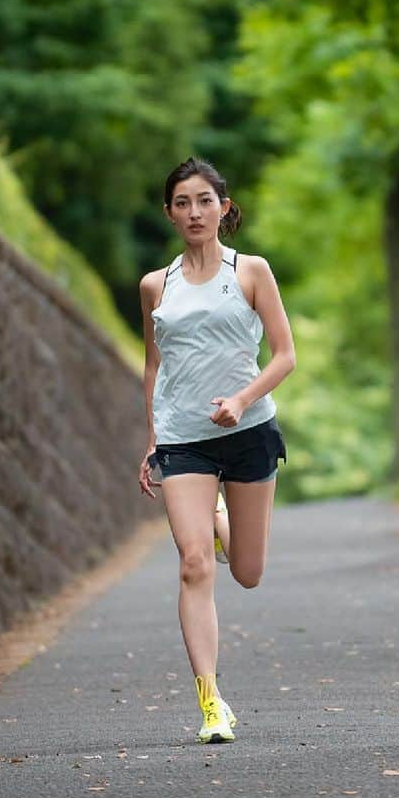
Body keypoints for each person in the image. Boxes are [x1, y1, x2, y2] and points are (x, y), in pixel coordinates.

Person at [137, 157, 296, 744]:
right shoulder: (157, 286)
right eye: (182, 202)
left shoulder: (251, 271)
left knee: (248, 572)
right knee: (193, 563)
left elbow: (284, 354)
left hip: (249, 430)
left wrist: (241, 398)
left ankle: (222, 520)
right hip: (184, 439)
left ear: (224, 207)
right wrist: (153, 440)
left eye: (205, 200)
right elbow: (155, 367)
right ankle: (211, 703)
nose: (194, 212)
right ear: (170, 212)